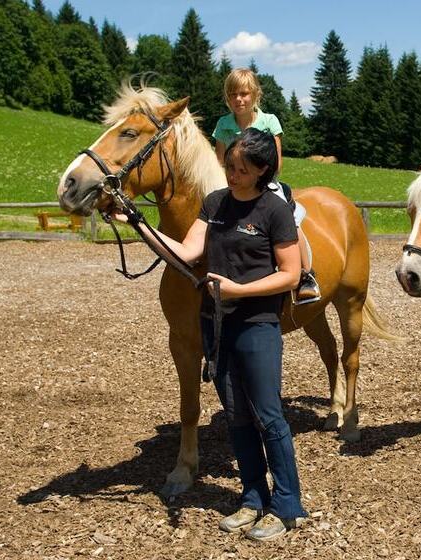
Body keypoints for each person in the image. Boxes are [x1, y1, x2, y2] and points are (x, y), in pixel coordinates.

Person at [113, 129, 308, 540]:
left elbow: (291, 275)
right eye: (229, 166)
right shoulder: (215, 203)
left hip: (257, 324)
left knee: (268, 415)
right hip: (217, 324)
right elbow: (186, 252)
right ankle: (253, 498)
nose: (232, 175)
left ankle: (287, 504)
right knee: (236, 416)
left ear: (263, 170)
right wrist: (138, 224)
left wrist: (239, 290)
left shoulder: (274, 210)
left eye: (242, 169)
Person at [213, 67, 321, 303]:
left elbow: (276, 163)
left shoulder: (269, 121)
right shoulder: (223, 124)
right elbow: (220, 162)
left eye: (244, 94)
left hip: (265, 183)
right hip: (232, 183)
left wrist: (255, 181)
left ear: (255, 94)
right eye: (233, 94)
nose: (238, 99)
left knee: (289, 218)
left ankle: (306, 275)